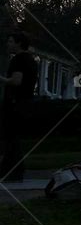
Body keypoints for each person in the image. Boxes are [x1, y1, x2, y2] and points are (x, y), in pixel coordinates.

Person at [0, 32, 37, 182]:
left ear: (19, 43)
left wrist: (1, 79)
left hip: (15, 102)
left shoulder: (18, 59)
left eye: (10, 41)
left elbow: (16, 81)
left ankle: (12, 172)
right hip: (26, 102)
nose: (8, 44)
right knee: (13, 137)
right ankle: (13, 171)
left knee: (10, 137)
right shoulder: (31, 60)